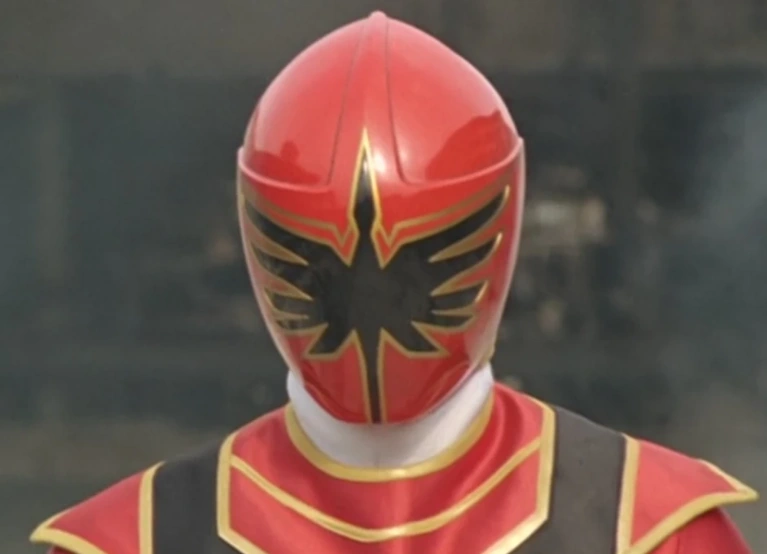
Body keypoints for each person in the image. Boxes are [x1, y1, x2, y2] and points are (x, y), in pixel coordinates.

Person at [30, 11, 757, 554]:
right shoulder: (640, 524)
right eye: (324, 271)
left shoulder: (647, 527)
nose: (370, 297)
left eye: (415, 270)